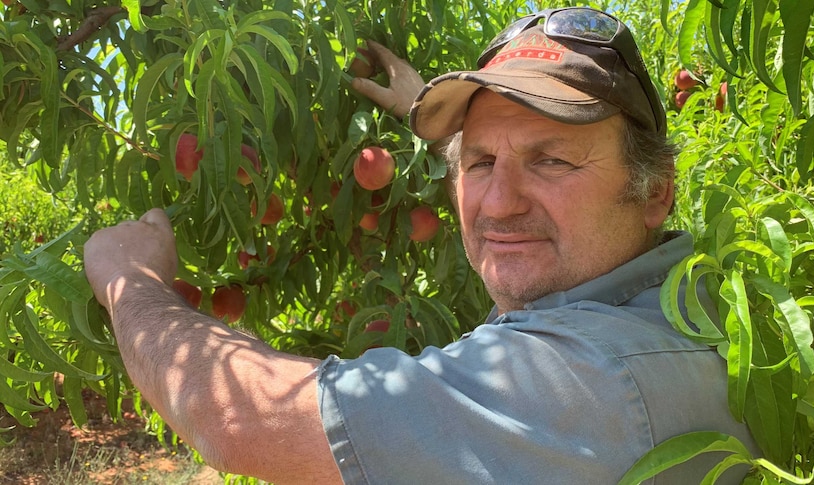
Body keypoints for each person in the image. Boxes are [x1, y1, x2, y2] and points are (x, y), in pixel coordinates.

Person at [84, 7, 758, 484]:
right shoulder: (695, 306)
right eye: (481, 162)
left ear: (655, 190)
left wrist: (130, 282)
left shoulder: (589, 379)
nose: (498, 202)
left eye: (553, 160)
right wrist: (436, 125)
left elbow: (241, 420)